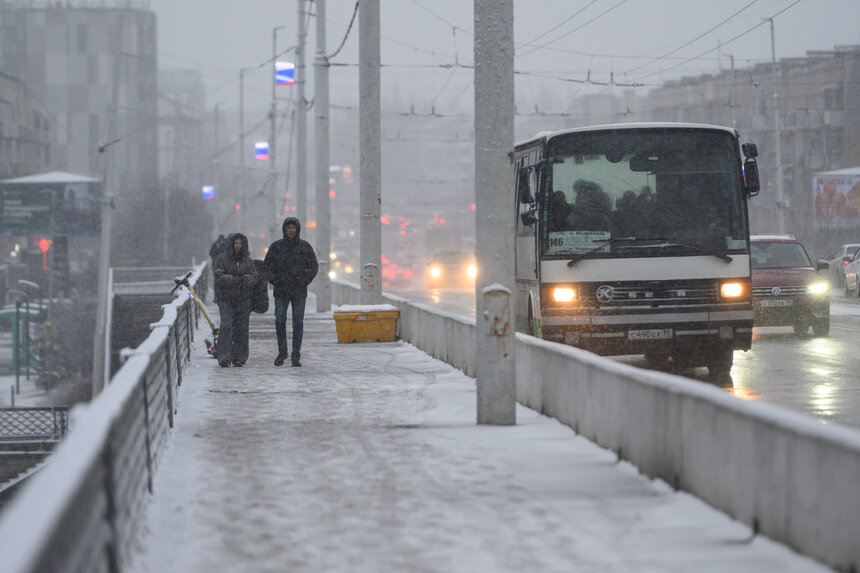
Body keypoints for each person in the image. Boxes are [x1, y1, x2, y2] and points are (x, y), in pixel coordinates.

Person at [264, 217, 319, 367]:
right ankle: (282, 352)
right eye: (289, 227)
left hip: (299, 291)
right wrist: (276, 280)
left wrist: (303, 280)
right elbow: (267, 267)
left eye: (294, 227)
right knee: (279, 320)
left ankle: (296, 355)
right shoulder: (276, 247)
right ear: (284, 229)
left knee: (298, 323)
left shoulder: (305, 247)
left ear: (298, 229)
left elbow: (314, 267)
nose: (291, 230)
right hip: (281, 291)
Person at [213, 233, 259, 367]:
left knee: (242, 328)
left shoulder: (248, 261)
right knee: (226, 325)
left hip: (243, 299)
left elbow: (255, 277)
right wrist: (236, 280)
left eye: (240, 244)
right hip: (226, 299)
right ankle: (224, 356)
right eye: (236, 244)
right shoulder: (222, 259)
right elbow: (218, 276)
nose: (238, 246)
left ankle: (240, 357)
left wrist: (244, 280)